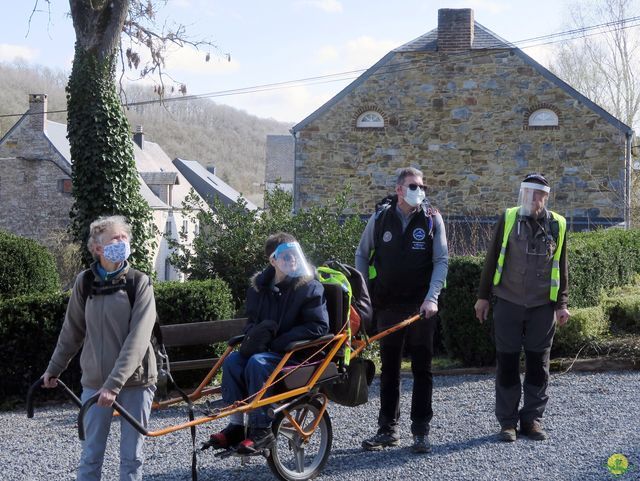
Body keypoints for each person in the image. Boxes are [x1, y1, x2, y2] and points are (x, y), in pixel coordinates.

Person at [42, 215, 158, 481]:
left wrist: (114, 384)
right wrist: (53, 369)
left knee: (131, 459)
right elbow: (72, 331)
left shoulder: (139, 282)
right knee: (91, 455)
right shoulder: (84, 283)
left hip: (135, 382)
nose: (122, 242)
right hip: (95, 381)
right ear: (97, 248)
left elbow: (138, 339)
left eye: (124, 237)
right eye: (115, 238)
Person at [204, 232, 329, 454]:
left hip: (297, 354)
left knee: (257, 363)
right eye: (286, 255)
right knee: (233, 361)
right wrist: (256, 335)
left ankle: (261, 430)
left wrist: (280, 342)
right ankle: (236, 425)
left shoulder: (309, 287)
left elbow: (318, 326)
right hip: (268, 352)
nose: (292, 259)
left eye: (295, 254)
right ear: (272, 260)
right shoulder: (259, 290)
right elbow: (251, 322)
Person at [355, 167, 448, 454]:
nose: (419, 190)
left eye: (422, 186)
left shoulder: (432, 219)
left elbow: (442, 261)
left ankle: (421, 431)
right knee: (390, 369)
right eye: (413, 186)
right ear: (398, 190)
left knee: (422, 369)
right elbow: (361, 254)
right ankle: (388, 429)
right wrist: (364, 294)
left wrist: (432, 298)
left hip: (421, 308)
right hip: (387, 306)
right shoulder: (381, 217)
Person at [474, 172, 570, 442]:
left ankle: (532, 420)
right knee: (507, 363)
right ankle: (507, 422)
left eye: (537, 194)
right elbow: (491, 258)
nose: (532, 199)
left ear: (545, 197)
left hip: (542, 307)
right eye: (527, 193)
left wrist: (561, 305)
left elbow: (562, 269)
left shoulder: (558, 225)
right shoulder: (508, 218)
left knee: (539, 366)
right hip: (508, 302)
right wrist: (483, 297)